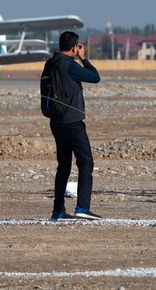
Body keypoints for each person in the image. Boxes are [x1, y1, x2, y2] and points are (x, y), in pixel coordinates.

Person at [45, 31, 101, 221]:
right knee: (86, 163)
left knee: (64, 166)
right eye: (78, 46)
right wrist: (83, 59)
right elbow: (94, 77)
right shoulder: (70, 65)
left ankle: (58, 210)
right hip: (72, 122)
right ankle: (82, 207)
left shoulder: (50, 63)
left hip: (55, 121)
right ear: (74, 47)